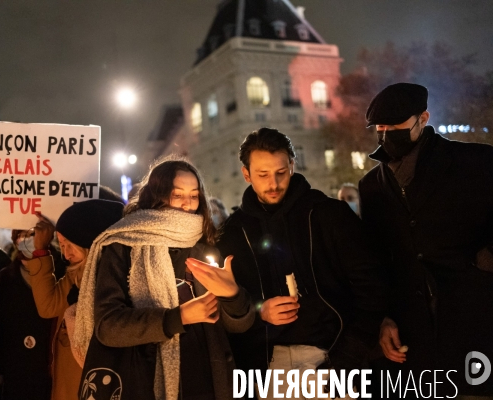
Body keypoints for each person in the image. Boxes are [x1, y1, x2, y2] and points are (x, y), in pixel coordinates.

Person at [216, 128, 387, 399]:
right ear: (246, 174)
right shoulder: (233, 233)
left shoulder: (330, 215)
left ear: (292, 166)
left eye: (281, 172)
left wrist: (346, 360)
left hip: (332, 360)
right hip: (267, 370)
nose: (273, 183)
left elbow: (372, 289)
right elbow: (228, 305)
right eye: (262, 175)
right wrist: (260, 311)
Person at [72, 157, 255, 400]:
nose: (187, 204)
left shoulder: (203, 246)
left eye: (194, 195)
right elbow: (108, 326)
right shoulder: (123, 245)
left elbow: (238, 326)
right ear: (157, 194)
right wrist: (177, 317)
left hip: (206, 382)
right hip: (144, 382)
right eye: (177, 194)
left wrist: (232, 296)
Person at [359, 82, 493, 398]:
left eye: (397, 125)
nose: (387, 133)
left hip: (475, 316)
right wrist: (385, 316)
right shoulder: (372, 186)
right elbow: (378, 258)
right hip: (413, 335)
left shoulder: (475, 162)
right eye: (380, 127)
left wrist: (485, 259)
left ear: (424, 118)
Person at [23, 199, 124, 400]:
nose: (66, 254)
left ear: (89, 242)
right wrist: (41, 251)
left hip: (97, 377)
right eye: (61, 245)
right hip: (69, 379)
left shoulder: (114, 276)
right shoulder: (74, 275)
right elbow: (48, 306)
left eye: (70, 245)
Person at [0, 230, 55, 400]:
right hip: (17, 373)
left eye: (32, 233)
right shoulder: (6, 278)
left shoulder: (60, 272)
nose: (26, 240)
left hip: (51, 371)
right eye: (21, 235)